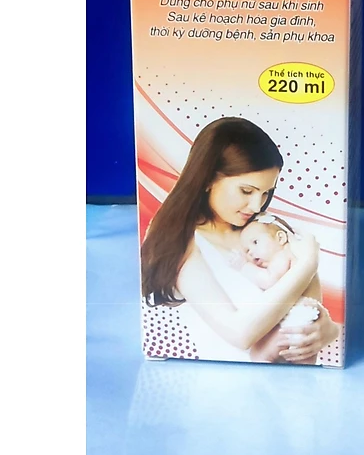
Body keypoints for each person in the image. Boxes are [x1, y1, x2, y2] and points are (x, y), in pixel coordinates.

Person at [141, 117, 339, 364]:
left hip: (294, 378)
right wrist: (307, 265)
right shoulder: (181, 242)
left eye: (266, 193)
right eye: (246, 191)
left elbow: (310, 309)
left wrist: (329, 330)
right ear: (208, 179)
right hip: (224, 377)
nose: (256, 205)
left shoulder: (265, 231)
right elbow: (239, 334)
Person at [227, 212, 324, 365]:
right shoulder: (296, 255)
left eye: (255, 242)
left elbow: (270, 280)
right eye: (246, 250)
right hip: (307, 318)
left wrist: (244, 266)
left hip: (296, 318)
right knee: (304, 360)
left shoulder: (283, 255)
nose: (250, 252)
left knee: (259, 355)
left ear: (280, 238)